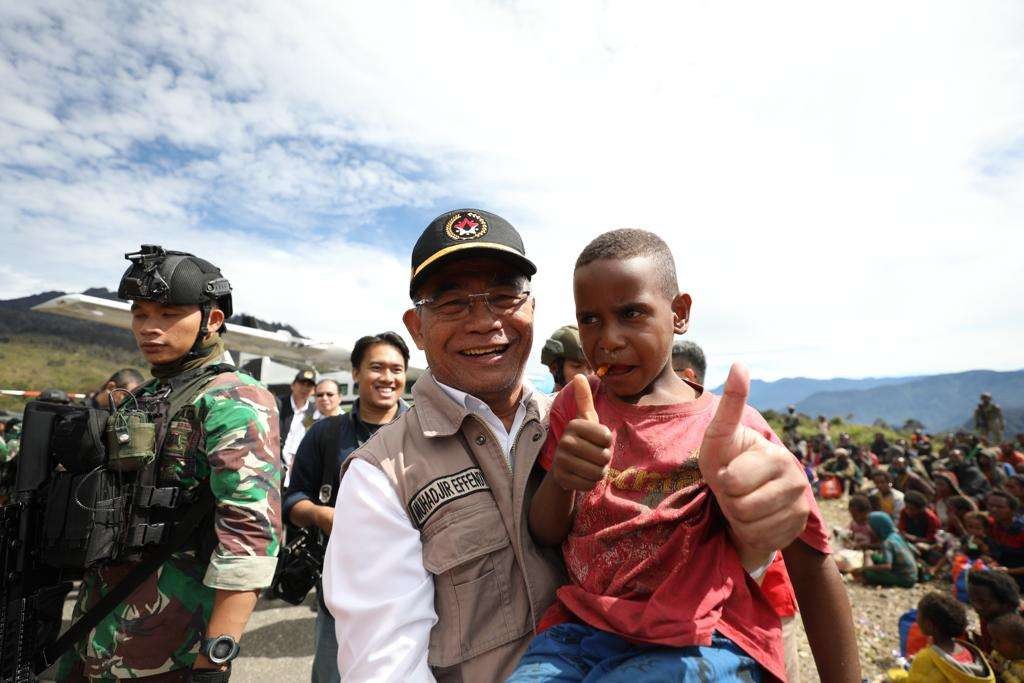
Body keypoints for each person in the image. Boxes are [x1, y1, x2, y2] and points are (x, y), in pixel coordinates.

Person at [322, 210, 823, 681]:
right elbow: (383, 667)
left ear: (532, 310)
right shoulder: (382, 473)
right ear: (417, 328)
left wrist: (758, 528)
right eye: (452, 302)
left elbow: (778, 574)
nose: (483, 320)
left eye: (503, 295)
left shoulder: (569, 414)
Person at [509, 228, 856, 682]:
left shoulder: (731, 429)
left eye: (631, 313)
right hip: (583, 631)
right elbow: (546, 531)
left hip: (703, 636)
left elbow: (811, 564)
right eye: (589, 320)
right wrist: (563, 480)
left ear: (679, 314)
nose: (607, 339)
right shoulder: (577, 407)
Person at [57, 245, 281, 682]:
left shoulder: (233, 399)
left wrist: (214, 659)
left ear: (212, 320)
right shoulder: (143, 397)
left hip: (168, 650)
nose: (149, 328)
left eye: (167, 314)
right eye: (140, 315)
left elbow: (250, 537)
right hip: (96, 630)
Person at [285, 332, 410, 683]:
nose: (388, 378)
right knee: (332, 674)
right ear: (355, 373)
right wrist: (320, 515)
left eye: (396, 369)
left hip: (411, 589)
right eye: (376, 367)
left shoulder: (424, 432)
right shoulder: (325, 434)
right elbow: (293, 499)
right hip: (339, 591)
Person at [908, 592, 995, 682]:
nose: (916, 619)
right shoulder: (969, 651)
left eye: (918, 615)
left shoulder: (925, 659)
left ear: (929, 625)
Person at [850, 512, 917, 587]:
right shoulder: (895, 536)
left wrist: (863, 568)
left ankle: (865, 577)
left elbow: (887, 566)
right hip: (911, 574)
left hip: (905, 578)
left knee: (868, 573)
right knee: (870, 554)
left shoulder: (887, 542)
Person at [967, 570, 1022, 653]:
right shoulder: (988, 616)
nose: (976, 606)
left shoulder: (1019, 627)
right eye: (972, 600)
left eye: (982, 601)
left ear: (1006, 604)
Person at [280, 367, 318, 485]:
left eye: (309, 385)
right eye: (302, 384)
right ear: (292, 385)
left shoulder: (313, 411)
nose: (305, 388)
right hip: (276, 465)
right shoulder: (279, 404)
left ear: (313, 390)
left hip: (297, 469)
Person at [986, 490, 1024, 591]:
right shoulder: (993, 525)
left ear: (1012, 510)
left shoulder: (1021, 530)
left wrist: (1009, 571)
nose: (993, 509)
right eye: (990, 505)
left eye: (1000, 507)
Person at [540, 324, 592, 392]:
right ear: (554, 368)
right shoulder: (542, 402)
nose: (587, 375)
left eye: (590, 368)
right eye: (577, 366)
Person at [900, 491, 942, 558]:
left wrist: (914, 538)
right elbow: (902, 530)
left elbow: (931, 540)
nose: (908, 511)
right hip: (908, 542)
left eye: (912, 509)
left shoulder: (931, 519)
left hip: (926, 546)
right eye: (907, 507)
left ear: (921, 509)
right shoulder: (904, 512)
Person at [987, 612, 1024, 682]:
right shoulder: (999, 654)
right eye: (993, 639)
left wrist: (1003, 673)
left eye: (998, 641)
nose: (992, 644)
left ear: (1020, 646)